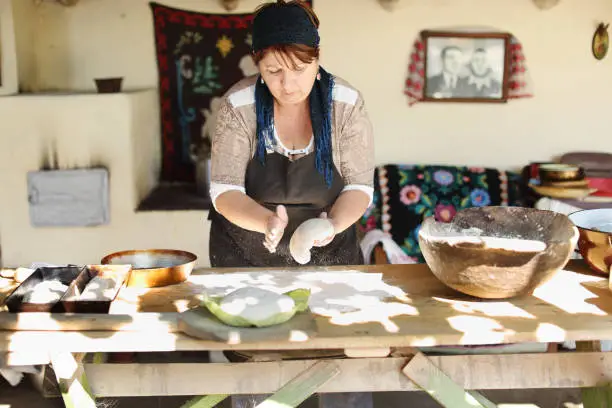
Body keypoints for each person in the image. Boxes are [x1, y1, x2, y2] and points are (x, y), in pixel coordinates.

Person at [208, 1, 375, 406]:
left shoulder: (345, 105)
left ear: (317, 60)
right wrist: (266, 221)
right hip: (248, 259)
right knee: (260, 375)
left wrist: (330, 224)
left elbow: (359, 187)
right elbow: (224, 191)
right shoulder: (239, 106)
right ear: (256, 64)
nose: (288, 84)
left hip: (330, 257)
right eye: (273, 71)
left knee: (337, 363)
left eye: (300, 69)